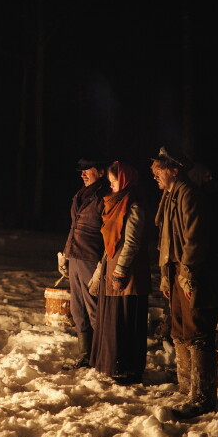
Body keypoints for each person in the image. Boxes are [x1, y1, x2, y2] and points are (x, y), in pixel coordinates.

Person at [151, 146, 218, 418]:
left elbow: (195, 239)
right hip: (177, 272)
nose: (155, 177)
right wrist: (166, 275)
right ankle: (187, 389)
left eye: (159, 171)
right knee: (180, 330)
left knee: (198, 332)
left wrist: (187, 274)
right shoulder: (171, 196)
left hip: (196, 275)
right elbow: (166, 239)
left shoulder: (188, 195)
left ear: (174, 170)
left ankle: (202, 397)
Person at [87, 161, 150, 384]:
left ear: (125, 181)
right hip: (112, 268)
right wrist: (99, 273)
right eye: (111, 182)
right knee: (113, 317)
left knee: (125, 318)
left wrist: (120, 271)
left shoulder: (133, 206)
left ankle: (127, 368)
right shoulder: (115, 205)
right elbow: (109, 244)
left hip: (128, 273)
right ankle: (111, 365)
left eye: (114, 182)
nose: (111, 186)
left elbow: (131, 242)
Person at [59, 156, 111, 368]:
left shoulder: (104, 196)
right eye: (81, 171)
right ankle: (85, 355)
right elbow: (74, 227)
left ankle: (101, 357)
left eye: (87, 170)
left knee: (94, 308)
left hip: (91, 257)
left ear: (100, 172)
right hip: (76, 255)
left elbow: (108, 232)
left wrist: (103, 261)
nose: (82, 174)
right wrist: (65, 253)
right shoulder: (81, 195)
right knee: (78, 307)